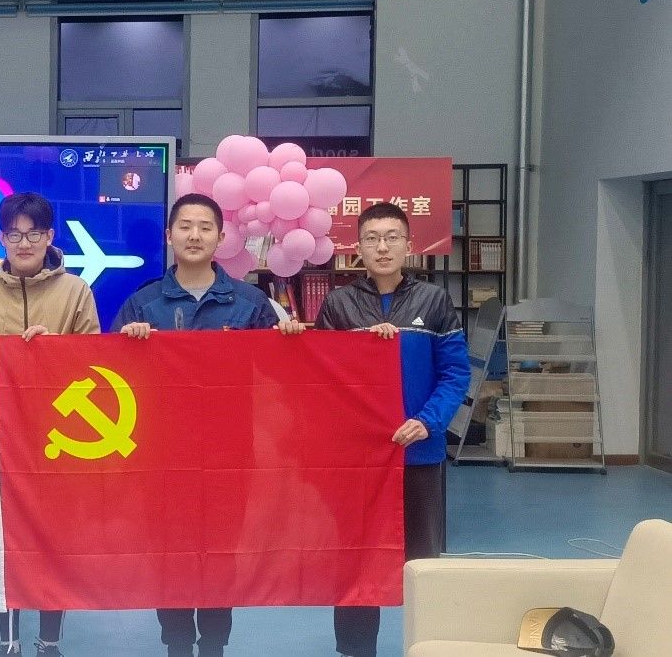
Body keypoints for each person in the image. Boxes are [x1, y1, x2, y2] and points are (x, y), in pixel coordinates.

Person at [112, 192, 304, 657]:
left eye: (205, 227)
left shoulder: (251, 302)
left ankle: (215, 644)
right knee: (171, 552)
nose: (194, 235)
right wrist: (127, 345)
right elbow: (113, 377)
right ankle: (177, 643)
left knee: (221, 550)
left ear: (221, 238)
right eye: (185, 226)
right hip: (162, 452)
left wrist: (288, 340)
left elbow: (281, 376)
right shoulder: (143, 304)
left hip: (229, 451)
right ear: (169, 236)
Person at [315, 202, 469, 657]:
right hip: (358, 460)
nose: (382, 247)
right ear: (357, 247)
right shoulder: (339, 304)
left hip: (419, 456)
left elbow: (455, 373)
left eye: (392, 237)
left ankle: (429, 644)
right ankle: (356, 649)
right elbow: (322, 378)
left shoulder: (434, 301)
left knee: (423, 563)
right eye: (372, 238)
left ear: (409, 244)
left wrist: (428, 421)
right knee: (357, 560)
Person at [0, 192, 99, 657]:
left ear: (50, 236)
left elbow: (94, 362)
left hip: (61, 437)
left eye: (34, 233)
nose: (24, 243)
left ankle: (49, 641)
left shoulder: (75, 291)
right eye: (14, 234)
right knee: (3, 539)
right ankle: (8, 642)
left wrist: (54, 348)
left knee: (55, 541)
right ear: (0, 238)